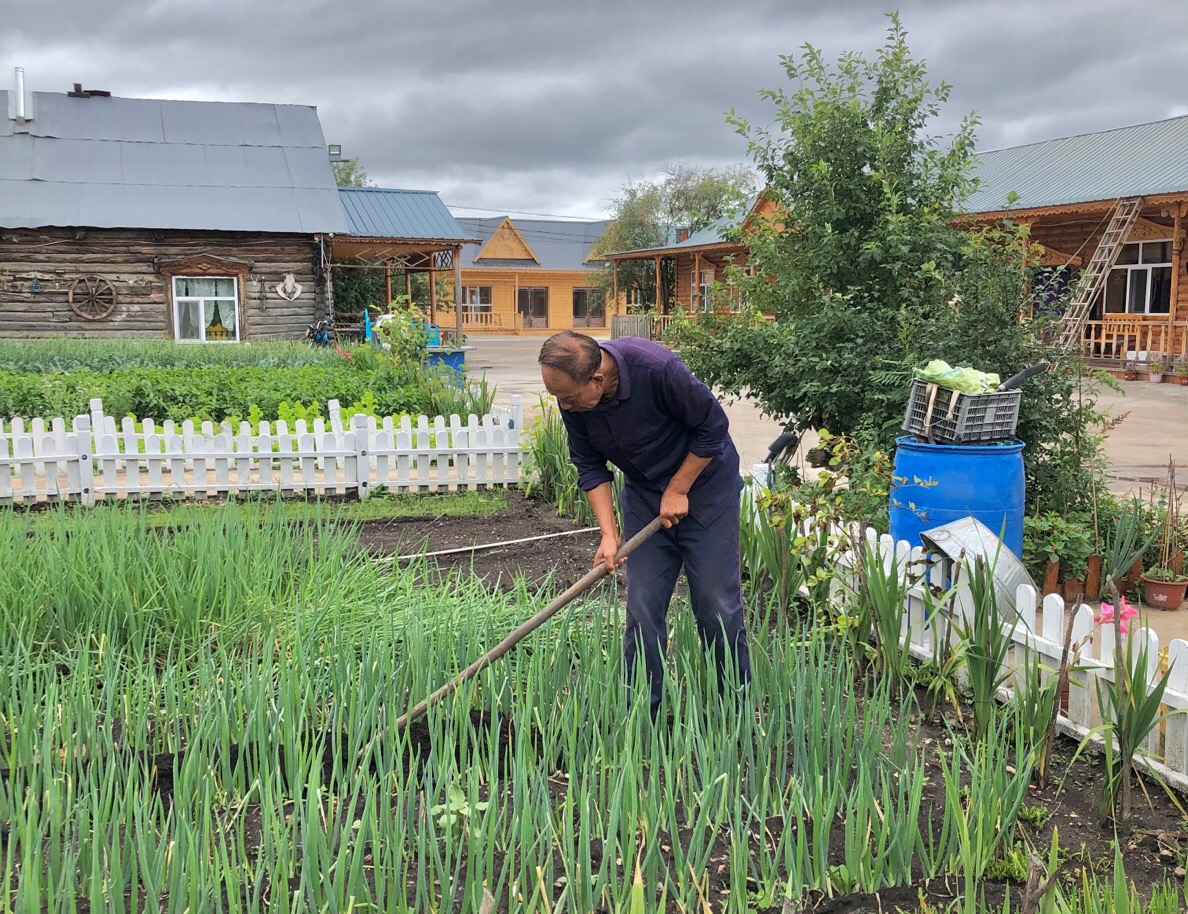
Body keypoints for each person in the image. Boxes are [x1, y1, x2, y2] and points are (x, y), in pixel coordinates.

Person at [538, 330, 751, 713]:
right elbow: (588, 465)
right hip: (646, 495)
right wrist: (608, 533)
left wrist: (680, 487)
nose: (564, 407)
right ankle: (643, 714)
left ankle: (734, 709)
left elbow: (713, 427)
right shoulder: (575, 403)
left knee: (715, 604)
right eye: (559, 398)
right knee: (642, 605)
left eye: (568, 397)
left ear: (598, 380)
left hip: (705, 489)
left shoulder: (657, 368)